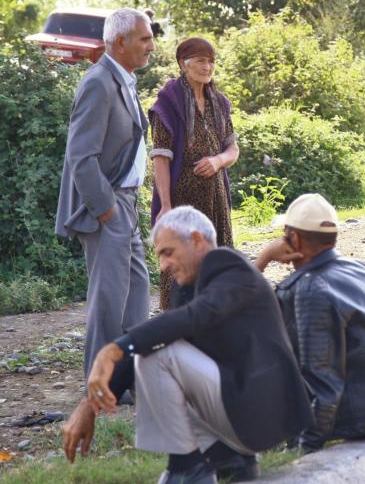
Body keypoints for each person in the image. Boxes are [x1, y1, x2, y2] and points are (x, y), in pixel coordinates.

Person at [61, 207, 314, 484]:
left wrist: (114, 349)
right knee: (153, 350)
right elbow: (167, 330)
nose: (162, 266)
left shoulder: (230, 267)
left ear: (196, 239)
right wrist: (89, 404)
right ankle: (230, 461)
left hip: (264, 413)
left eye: (168, 252)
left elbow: (194, 317)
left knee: (157, 356)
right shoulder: (192, 282)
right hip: (241, 409)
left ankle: (188, 468)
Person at [254, 193, 365, 453]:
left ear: (294, 238)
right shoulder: (364, 268)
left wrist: (305, 451)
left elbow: (324, 385)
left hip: (361, 421)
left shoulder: (310, 288)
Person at [55, 8, 154, 377]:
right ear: (119, 42)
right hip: (109, 206)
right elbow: (81, 156)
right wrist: (107, 210)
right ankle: (102, 387)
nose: (152, 46)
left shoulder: (124, 79)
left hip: (126, 202)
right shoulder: (98, 81)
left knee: (137, 295)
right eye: (144, 39)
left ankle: (128, 379)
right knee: (109, 302)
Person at [149, 37, 239, 309]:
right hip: (182, 201)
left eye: (211, 61)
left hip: (216, 200)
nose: (207, 66)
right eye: (201, 60)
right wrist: (165, 206)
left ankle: (217, 316)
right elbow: (161, 159)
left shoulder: (219, 103)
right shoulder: (167, 104)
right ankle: (178, 321)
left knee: (217, 259)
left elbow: (232, 149)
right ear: (183, 64)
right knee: (181, 262)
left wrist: (218, 160)